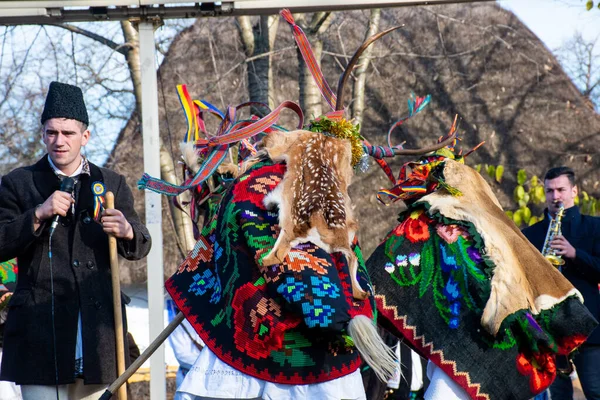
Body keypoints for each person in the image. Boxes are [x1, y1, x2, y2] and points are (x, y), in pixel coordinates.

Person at [0, 81, 152, 399]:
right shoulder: (18, 183)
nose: (59, 141)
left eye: (68, 133)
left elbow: (141, 244)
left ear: (85, 136)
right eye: (51, 132)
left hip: (99, 334)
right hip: (39, 334)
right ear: (43, 133)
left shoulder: (110, 182)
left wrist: (127, 230)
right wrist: (38, 215)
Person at [523, 166, 600, 400]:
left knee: (596, 391)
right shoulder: (531, 234)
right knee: (558, 396)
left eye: (561, 190)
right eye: (549, 191)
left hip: (588, 324)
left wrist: (575, 254)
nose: (555, 196)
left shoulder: (595, 227)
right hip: (549, 328)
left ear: (574, 191)